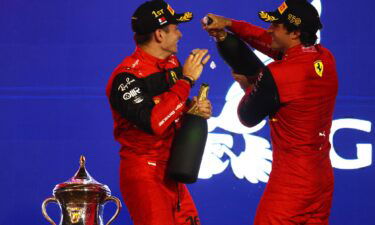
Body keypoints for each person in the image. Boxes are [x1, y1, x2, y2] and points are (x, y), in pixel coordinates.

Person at [203, 0, 338, 224]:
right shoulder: (325, 57)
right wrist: (230, 24)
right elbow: (269, 43)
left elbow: (246, 117)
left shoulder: (278, 74)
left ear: (294, 33)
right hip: (321, 179)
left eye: (276, 26)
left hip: (291, 183)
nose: (269, 29)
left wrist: (247, 86)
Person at [106, 1, 211, 224]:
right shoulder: (125, 78)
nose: (180, 35)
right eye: (176, 29)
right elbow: (155, 122)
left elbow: (170, 106)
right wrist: (187, 80)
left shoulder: (171, 62)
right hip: (145, 175)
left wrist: (193, 108)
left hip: (173, 170)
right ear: (159, 35)